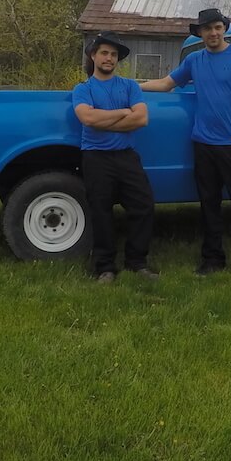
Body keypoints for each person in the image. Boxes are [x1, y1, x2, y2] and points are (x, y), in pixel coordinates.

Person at [142, 8, 231, 275]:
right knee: (209, 205)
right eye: (207, 28)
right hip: (203, 145)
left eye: (217, 27)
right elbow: (166, 84)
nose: (213, 33)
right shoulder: (194, 61)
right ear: (199, 33)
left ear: (224, 29)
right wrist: (131, 86)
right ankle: (212, 259)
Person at [72, 31, 158, 284]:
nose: (109, 58)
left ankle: (137, 262)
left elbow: (141, 118)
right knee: (100, 211)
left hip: (126, 156)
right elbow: (87, 119)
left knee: (143, 205)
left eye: (113, 54)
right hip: (96, 157)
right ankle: (105, 267)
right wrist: (123, 112)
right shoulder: (83, 89)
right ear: (93, 56)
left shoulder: (130, 86)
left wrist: (103, 119)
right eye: (104, 53)